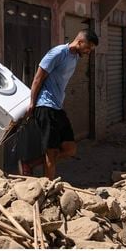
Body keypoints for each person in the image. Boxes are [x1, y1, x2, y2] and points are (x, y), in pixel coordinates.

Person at [17, 29, 99, 178]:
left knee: (70, 148)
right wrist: (32, 103)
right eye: (88, 47)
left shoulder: (74, 57)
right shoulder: (58, 53)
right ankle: (49, 189)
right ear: (80, 42)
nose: (89, 51)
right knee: (51, 151)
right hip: (45, 105)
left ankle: (30, 164)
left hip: (57, 107)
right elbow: (38, 78)